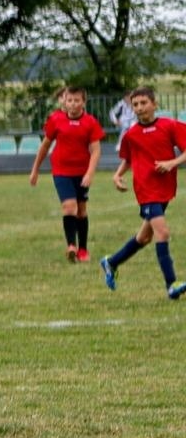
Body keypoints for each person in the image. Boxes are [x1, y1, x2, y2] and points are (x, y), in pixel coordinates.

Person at [99, 86, 186, 299]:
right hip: (146, 190)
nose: (139, 108)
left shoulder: (170, 126)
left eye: (143, 103)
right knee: (162, 233)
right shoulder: (131, 135)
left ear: (154, 104)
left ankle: (111, 262)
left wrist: (172, 163)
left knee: (144, 237)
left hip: (165, 188)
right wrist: (117, 175)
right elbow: (128, 159)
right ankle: (171, 284)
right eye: (135, 104)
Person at [29, 86, 104, 262]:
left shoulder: (91, 122)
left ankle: (83, 249)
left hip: (82, 172)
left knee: (81, 210)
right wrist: (35, 170)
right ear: (64, 101)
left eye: (77, 100)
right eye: (69, 100)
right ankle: (71, 245)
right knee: (69, 207)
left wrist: (90, 173)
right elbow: (45, 145)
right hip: (61, 171)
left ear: (84, 102)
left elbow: (96, 151)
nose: (72, 104)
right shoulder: (56, 120)